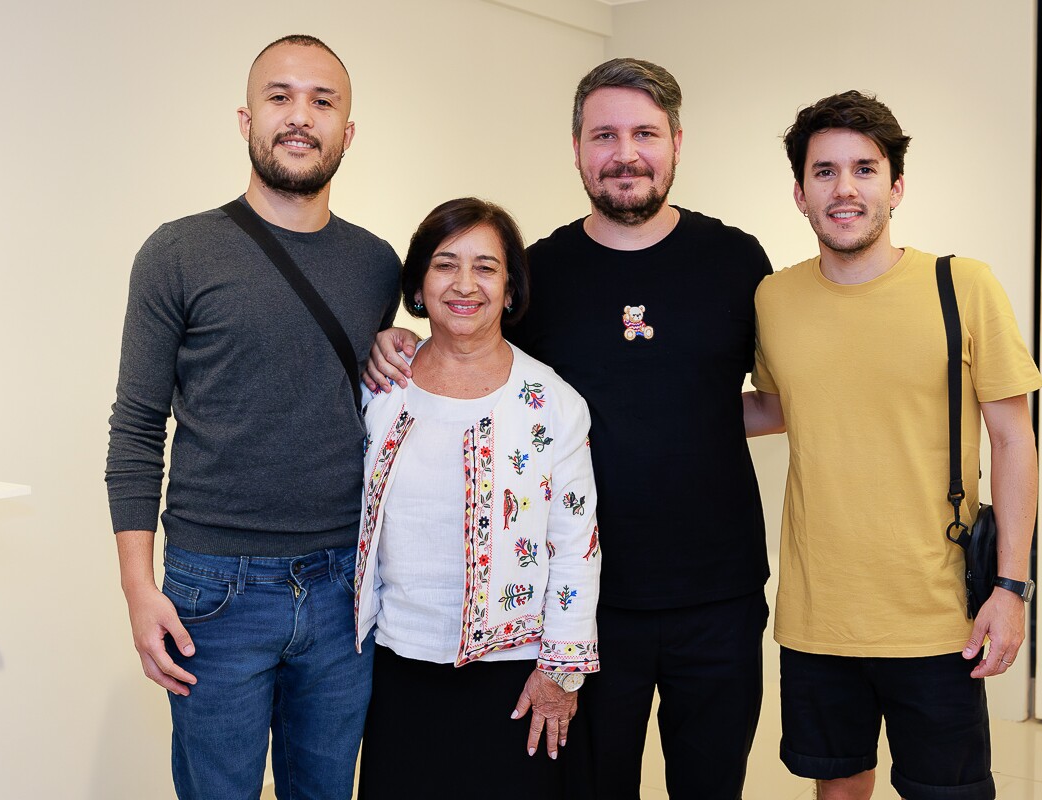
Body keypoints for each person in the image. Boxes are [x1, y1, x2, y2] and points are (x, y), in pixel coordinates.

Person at [367, 58, 772, 800]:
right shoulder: (540, 273)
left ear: (678, 142)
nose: (626, 153)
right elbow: (474, 364)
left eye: (645, 133)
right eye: (604, 135)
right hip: (590, 603)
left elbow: (775, 398)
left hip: (719, 594)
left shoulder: (736, 260)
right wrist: (394, 344)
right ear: (578, 149)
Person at [105, 35, 400, 799]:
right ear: (247, 119)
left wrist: (399, 345)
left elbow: (377, 395)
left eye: (322, 101)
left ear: (348, 131)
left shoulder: (379, 264)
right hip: (213, 590)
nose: (299, 117)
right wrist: (140, 591)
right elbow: (136, 428)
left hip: (345, 586)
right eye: (279, 97)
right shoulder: (178, 252)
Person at [749, 90, 1042, 800]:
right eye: (824, 172)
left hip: (939, 616)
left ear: (896, 185)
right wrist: (634, 410)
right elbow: (781, 407)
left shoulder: (961, 286)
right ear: (799, 193)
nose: (844, 189)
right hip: (819, 614)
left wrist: (1010, 588)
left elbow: (1012, 439)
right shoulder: (774, 299)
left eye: (864, 169)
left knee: (948, 791)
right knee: (838, 786)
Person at [353, 197, 600, 798]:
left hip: (515, 680)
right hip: (395, 666)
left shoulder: (554, 403)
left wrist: (561, 672)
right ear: (417, 285)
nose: (465, 284)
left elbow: (577, 544)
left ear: (511, 289)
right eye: (445, 264)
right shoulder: (380, 388)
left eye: (486, 267)